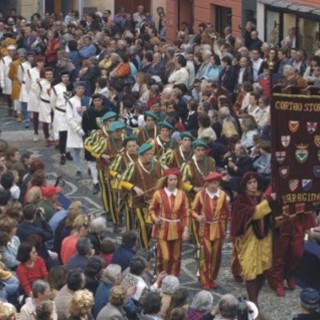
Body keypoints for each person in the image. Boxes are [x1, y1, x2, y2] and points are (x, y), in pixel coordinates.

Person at [230, 172, 276, 307]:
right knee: (250, 270)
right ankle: (253, 301)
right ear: (245, 185)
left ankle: (253, 298)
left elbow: (271, 215)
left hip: (264, 239)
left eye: (255, 182)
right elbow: (254, 213)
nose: (253, 185)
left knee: (263, 268)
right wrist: (268, 202)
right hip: (249, 239)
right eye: (250, 183)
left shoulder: (261, 196)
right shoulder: (241, 199)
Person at [192, 171, 229, 290]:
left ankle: (212, 278)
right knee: (205, 255)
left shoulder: (222, 195)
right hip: (205, 229)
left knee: (216, 256)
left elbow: (227, 212)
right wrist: (198, 217)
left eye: (216, 183)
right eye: (212, 183)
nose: (214, 185)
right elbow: (192, 211)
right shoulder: (200, 195)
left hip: (218, 229)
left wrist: (225, 227)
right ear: (207, 184)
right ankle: (204, 279)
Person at [149, 168, 189, 276]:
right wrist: (155, 218)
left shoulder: (182, 194)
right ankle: (161, 277)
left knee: (176, 257)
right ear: (166, 180)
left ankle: (173, 278)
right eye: (171, 180)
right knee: (164, 256)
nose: (173, 182)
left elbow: (186, 212)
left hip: (177, 227)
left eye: (175, 179)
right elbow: (152, 209)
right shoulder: (158, 194)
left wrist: (186, 229)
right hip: (162, 227)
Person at [121, 143, 162, 248]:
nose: (150, 156)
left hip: (154, 200)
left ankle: (145, 243)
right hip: (139, 201)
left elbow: (162, 180)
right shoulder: (133, 165)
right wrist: (134, 188)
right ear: (141, 155)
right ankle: (145, 248)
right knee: (143, 225)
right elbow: (123, 181)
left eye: (151, 154)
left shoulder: (157, 164)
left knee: (150, 226)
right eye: (147, 154)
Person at [66, 81, 90, 180]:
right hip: (76, 129)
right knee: (76, 150)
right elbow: (69, 118)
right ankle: (78, 169)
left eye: (82, 88)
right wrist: (78, 129)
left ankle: (90, 168)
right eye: (78, 88)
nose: (80, 90)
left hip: (87, 128)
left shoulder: (88, 100)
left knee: (88, 150)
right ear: (75, 89)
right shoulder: (70, 101)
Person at [50, 71, 74, 165]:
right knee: (63, 134)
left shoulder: (71, 87)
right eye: (64, 76)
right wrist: (57, 111)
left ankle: (68, 152)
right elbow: (52, 102)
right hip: (60, 113)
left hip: (70, 113)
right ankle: (62, 153)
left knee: (70, 134)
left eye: (67, 76)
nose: (65, 78)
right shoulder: (56, 88)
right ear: (61, 78)